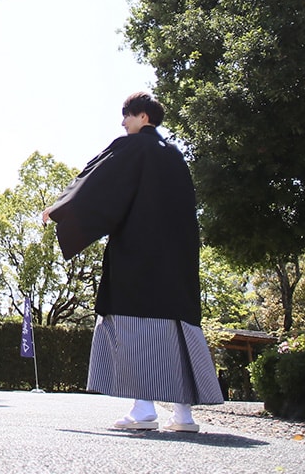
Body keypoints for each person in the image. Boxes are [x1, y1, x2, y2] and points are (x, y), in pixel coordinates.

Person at [41, 92, 223, 432]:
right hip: (178, 261)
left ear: (142, 117)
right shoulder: (175, 157)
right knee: (177, 328)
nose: (123, 123)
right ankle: (183, 415)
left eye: (127, 116)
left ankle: (143, 410)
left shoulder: (133, 148)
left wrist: (61, 210)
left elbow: (97, 184)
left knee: (138, 328)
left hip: (140, 256)